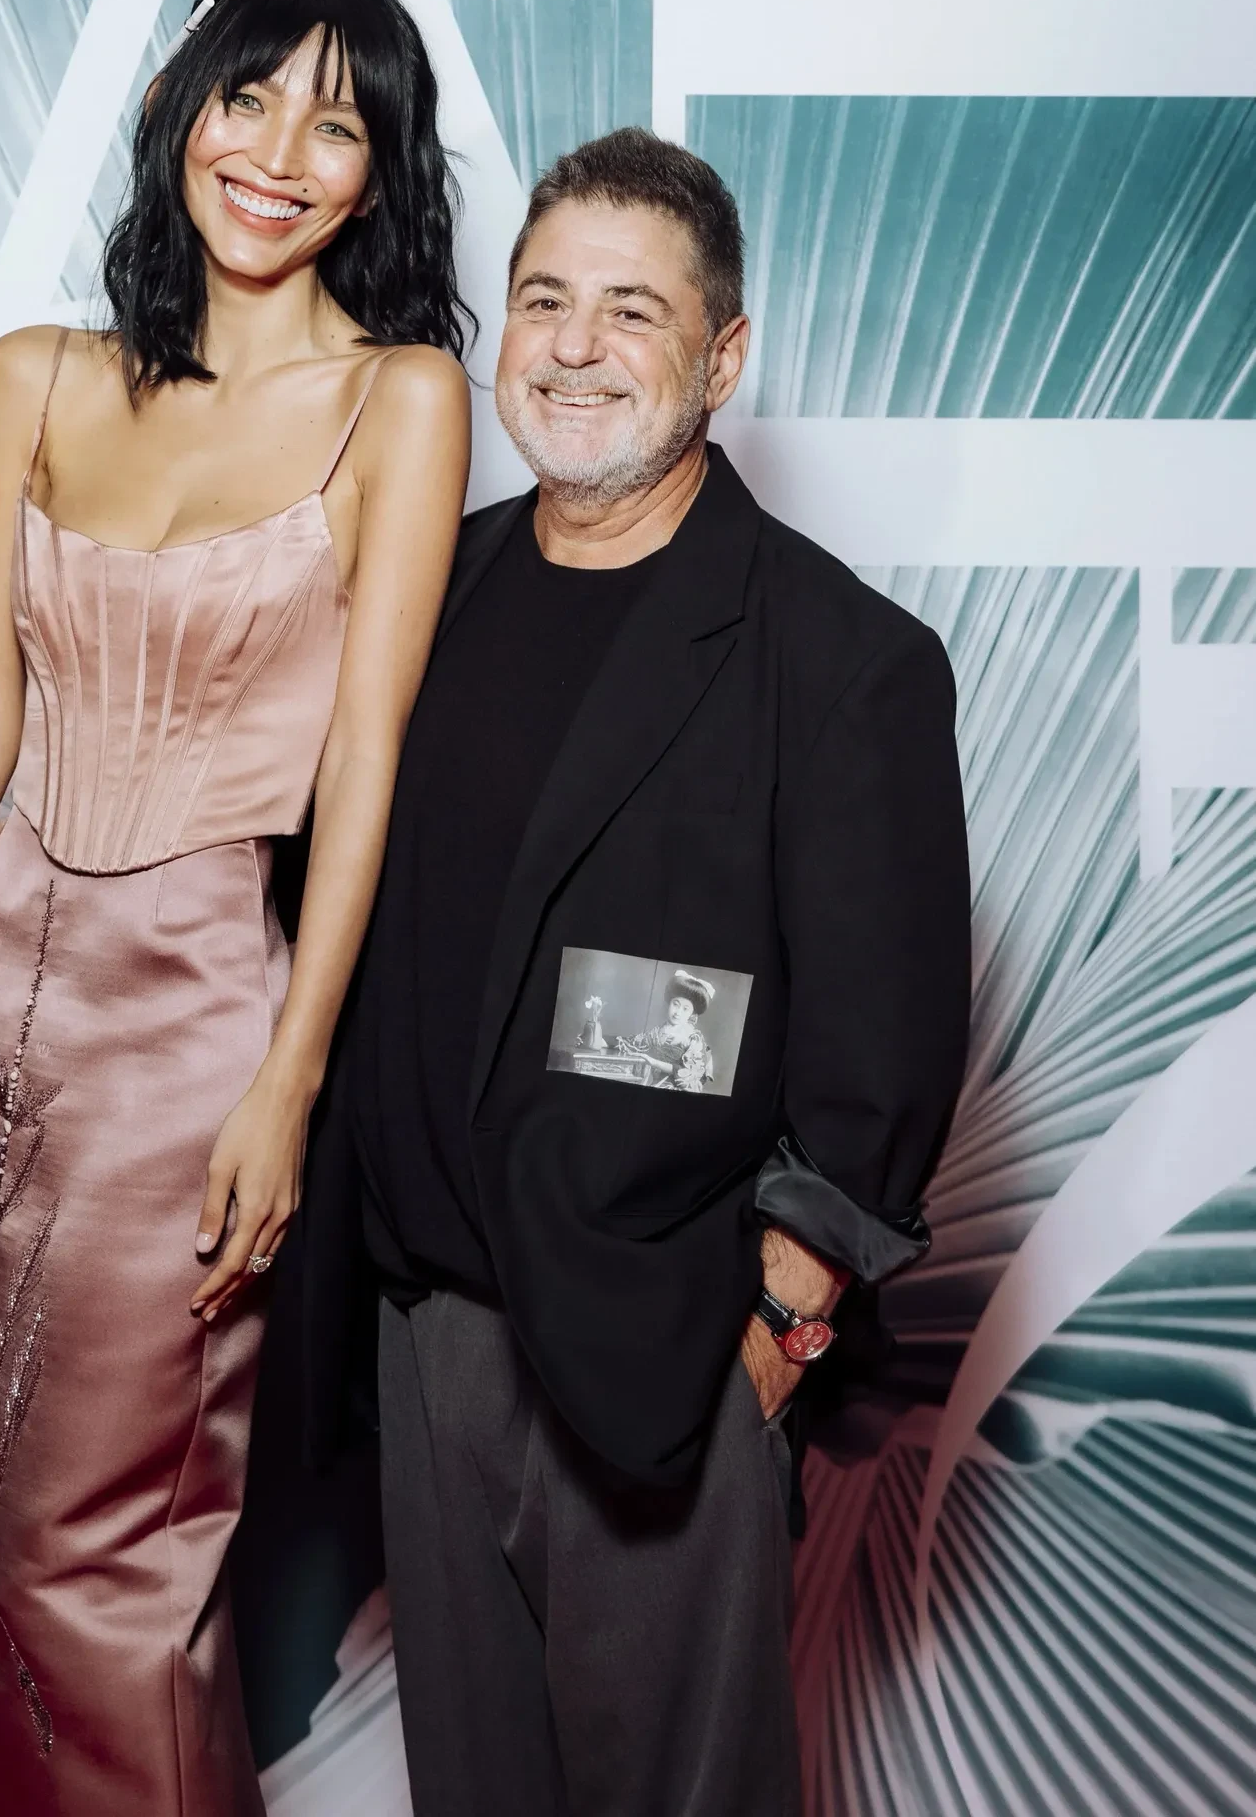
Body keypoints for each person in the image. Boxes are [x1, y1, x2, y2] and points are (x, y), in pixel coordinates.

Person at [0, 0, 471, 1817]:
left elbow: (363, 764)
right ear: (172, 111)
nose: (276, 153)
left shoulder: (400, 400)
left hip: (198, 1031)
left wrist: (288, 1080)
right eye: (248, 96)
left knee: (104, 1569)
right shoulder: (33, 378)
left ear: (378, 175)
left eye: (336, 126)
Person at [304, 126, 971, 1817]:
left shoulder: (842, 663)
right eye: (543, 301)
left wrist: (779, 1324)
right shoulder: (420, 595)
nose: (574, 347)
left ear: (720, 358)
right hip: (422, 1339)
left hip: (664, 1350)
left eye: (630, 310)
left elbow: (884, 1047)